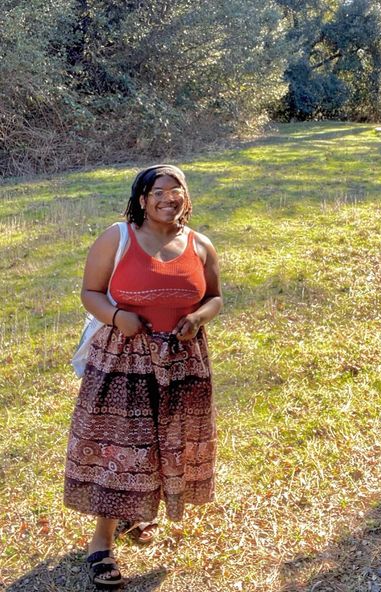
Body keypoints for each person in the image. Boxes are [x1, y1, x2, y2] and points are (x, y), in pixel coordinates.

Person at [64, 164, 223, 589]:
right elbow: (90, 292)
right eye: (159, 191)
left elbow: (215, 297)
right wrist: (117, 317)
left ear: (186, 199)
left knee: (165, 443)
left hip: (182, 361)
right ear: (141, 199)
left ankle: (136, 515)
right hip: (124, 359)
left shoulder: (200, 244)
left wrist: (197, 318)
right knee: (121, 447)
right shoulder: (117, 238)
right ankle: (101, 543)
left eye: (177, 191)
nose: (169, 198)